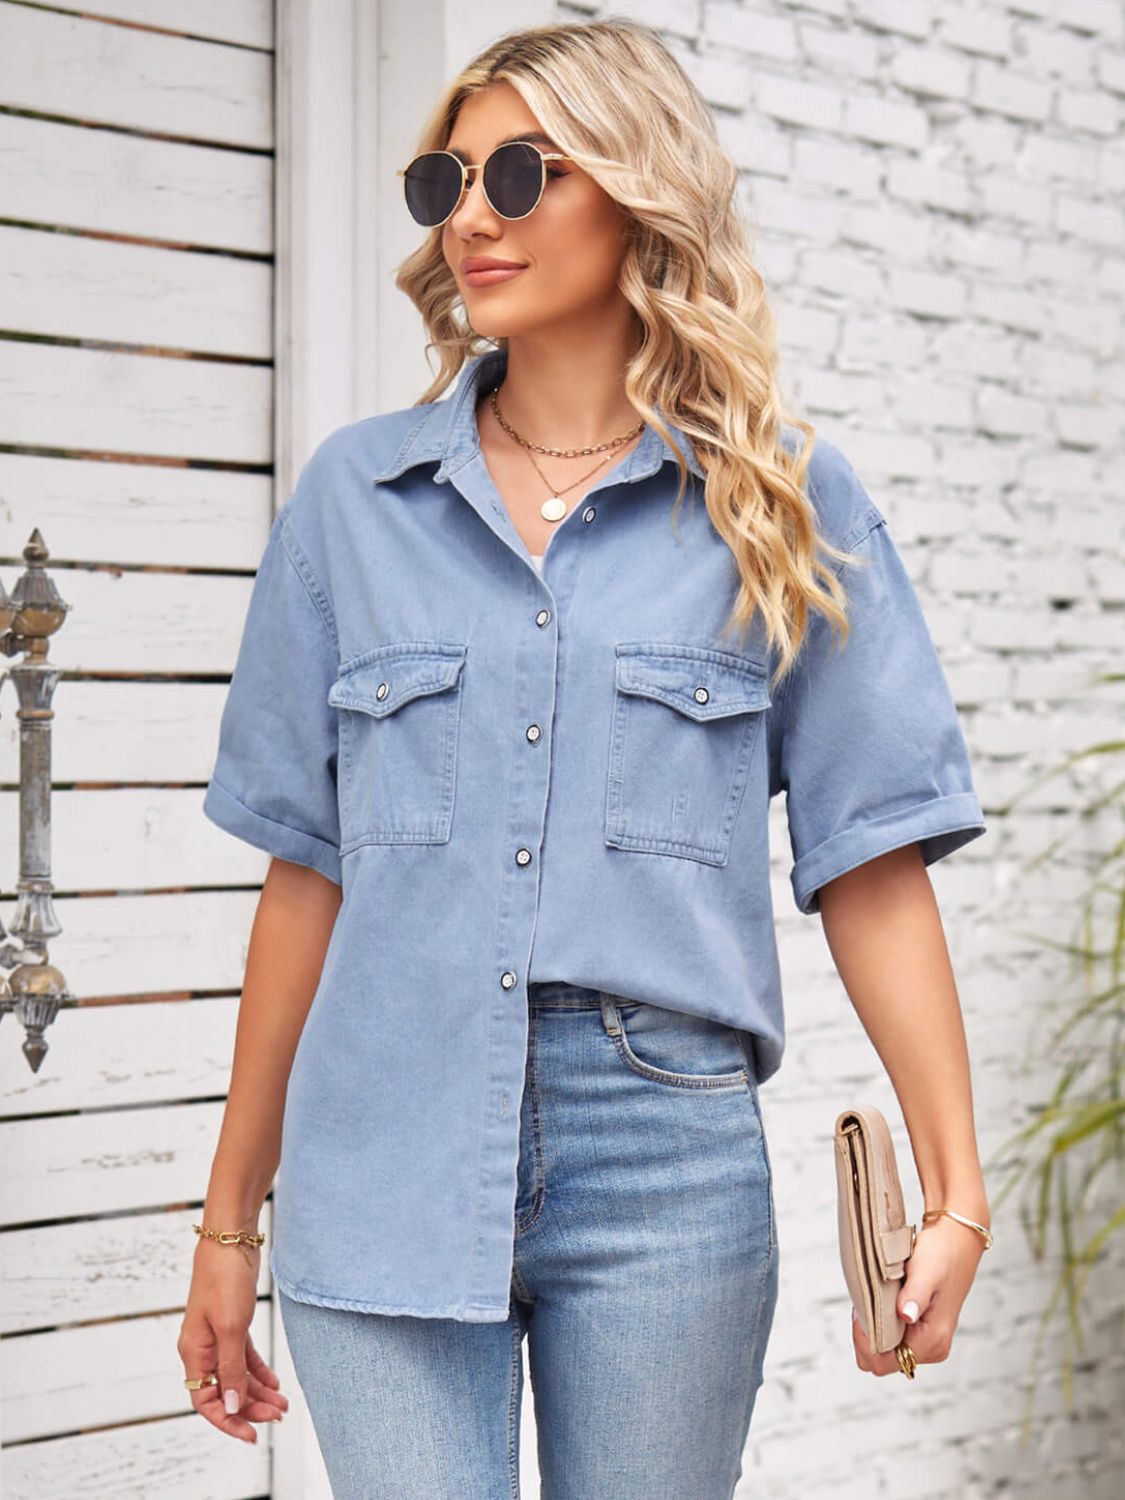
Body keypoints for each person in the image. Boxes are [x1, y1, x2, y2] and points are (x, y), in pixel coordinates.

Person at [178, 18, 993, 1499]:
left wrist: (955, 1187)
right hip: (382, 1139)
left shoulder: (781, 503)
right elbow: (305, 878)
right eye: (447, 182)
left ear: (638, 191)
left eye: (520, 174)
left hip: (662, 1157)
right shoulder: (353, 502)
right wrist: (229, 1224)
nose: (471, 218)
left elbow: (872, 858)